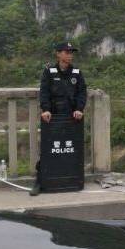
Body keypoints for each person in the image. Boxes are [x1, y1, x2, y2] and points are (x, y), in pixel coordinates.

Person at [31, 42, 87, 195]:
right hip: (53, 118)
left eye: (71, 52)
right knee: (49, 149)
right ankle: (40, 181)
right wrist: (46, 109)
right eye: (66, 52)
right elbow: (44, 92)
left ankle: (70, 180)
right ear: (58, 54)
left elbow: (82, 92)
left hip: (72, 119)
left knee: (70, 149)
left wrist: (79, 109)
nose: (70, 55)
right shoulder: (49, 71)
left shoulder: (76, 72)